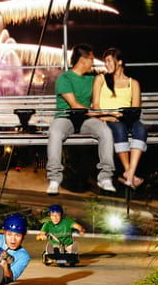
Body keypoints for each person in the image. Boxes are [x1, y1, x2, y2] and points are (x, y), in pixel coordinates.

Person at [47, 43, 116, 195]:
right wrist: (98, 114)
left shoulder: (92, 79)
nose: (93, 62)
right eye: (91, 59)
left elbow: (107, 92)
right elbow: (74, 105)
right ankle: (54, 178)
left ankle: (105, 177)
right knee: (55, 133)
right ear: (82, 60)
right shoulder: (64, 78)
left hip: (86, 119)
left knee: (105, 132)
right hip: (66, 117)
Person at [92, 47, 147, 189]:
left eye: (110, 61)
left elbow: (136, 108)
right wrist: (106, 116)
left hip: (126, 117)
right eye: (105, 62)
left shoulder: (133, 83)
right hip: (109, 118)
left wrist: (126, 115)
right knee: (119, 128)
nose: (106, 64)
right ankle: (130, 175)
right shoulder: (101, 79)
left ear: (120, 62)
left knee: (140, 129)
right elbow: (96, 104)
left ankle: (129, 174)